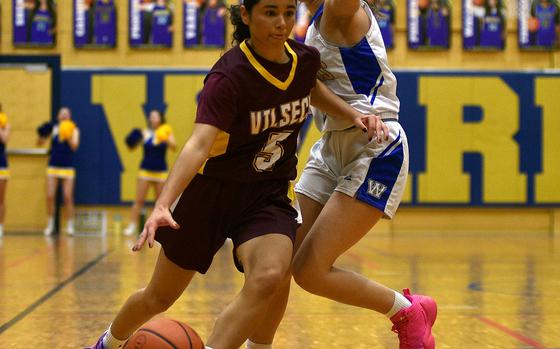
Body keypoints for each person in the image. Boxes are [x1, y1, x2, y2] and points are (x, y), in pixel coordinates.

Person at [87, 0, 386, 348]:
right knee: (158, 297)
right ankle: (107, 343)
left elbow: (312, 89)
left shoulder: (304, 61)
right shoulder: (228, 76)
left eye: (289, 13)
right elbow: (198, 144)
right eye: (270, 13)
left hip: (266, 195)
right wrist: (162, 204)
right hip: (212, 193)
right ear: (246, 15)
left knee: (271, 275)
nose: (282, 23)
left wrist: (352, 115)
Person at [246, 1, 437, 349]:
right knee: (280, 259)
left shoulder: (338, 10)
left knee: (310, 271)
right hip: (333, 143)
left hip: (375, 145)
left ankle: (406, 311)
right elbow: (312, 89)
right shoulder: (309, 22)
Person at [123, 109, 177, 236]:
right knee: (139, 200)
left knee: (160, 202)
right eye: (151, 116)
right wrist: (133, 138)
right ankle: (132, 225)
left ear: (160, 118)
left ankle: (160, 230)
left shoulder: (166, 131)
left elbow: (174, 146)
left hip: (161, 172)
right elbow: (131, 147)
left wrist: (165, 139)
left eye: (155, 116)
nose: (152, 118)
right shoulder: (144, 133)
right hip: (145, 171)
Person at [37, 107, 80, 236]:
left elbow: (74, 147)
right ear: (58, 116)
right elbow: (39, 143)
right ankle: (50, 225)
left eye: (67, 114)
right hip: (53, 165)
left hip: (67, 166)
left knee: (67, 197)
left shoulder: (74, 129)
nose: (64, 115)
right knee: (50, 196)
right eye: (62, 113)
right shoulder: (53, 128)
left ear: (70, 116)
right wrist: (42, 134)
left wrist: (67, 135)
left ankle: (70, 225)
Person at [0, 104, 10, 237]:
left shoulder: (5, 125)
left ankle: (0, 226)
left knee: (0, 199)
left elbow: (5, 139)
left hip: (1, 164)